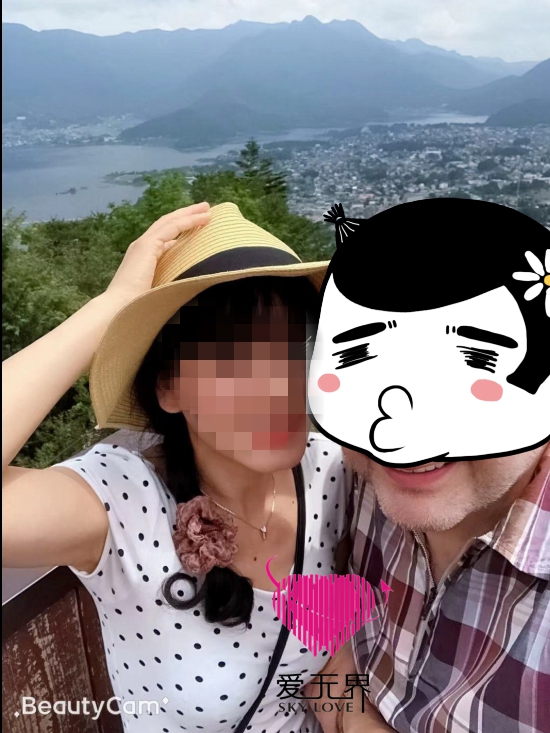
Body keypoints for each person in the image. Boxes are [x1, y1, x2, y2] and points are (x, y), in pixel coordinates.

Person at [2, 201, 355, 733]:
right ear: (167, 388)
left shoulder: (332, 473)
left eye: (293, 347)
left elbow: (325, 669)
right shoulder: (124, 503)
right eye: (234, 360)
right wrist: (110, 307)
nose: (278, 385)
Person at [304, 200, 550, 733]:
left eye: (474, 360)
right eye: (359, 359)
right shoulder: (357, 483)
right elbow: (330, 656)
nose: (399, 427)